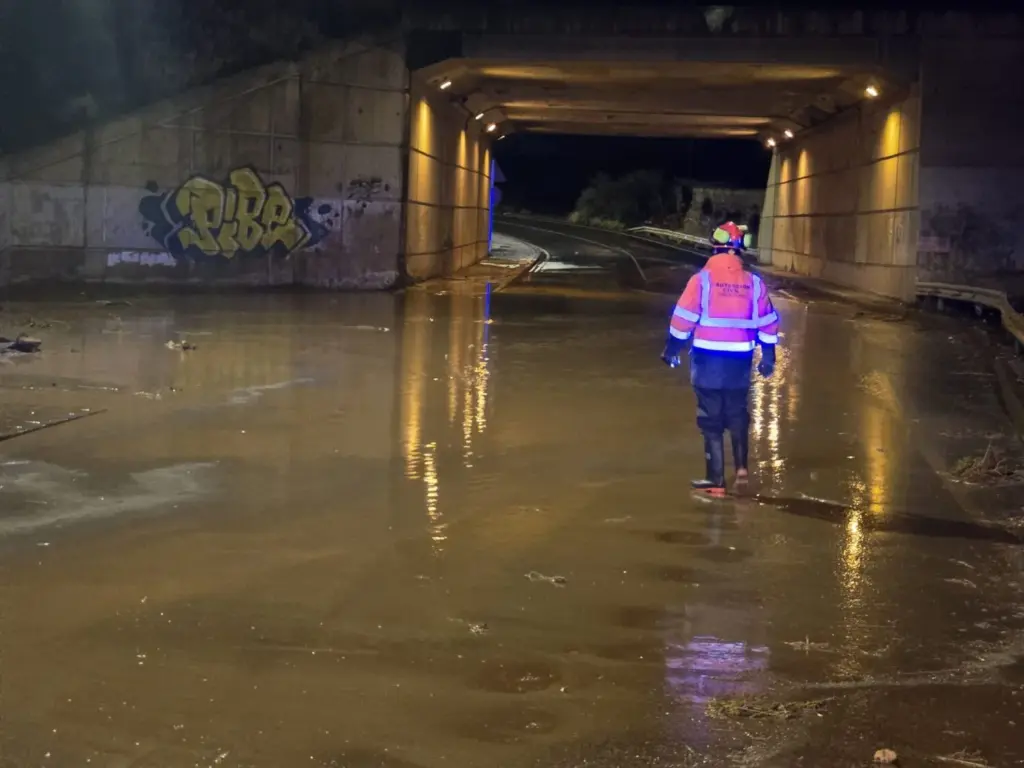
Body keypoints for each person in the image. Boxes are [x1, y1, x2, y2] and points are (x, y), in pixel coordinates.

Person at [661, 222, 779, 497]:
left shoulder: (701, 280)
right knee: (737, 411)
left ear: (714, 247)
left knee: (710, 417)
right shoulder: (754, 283)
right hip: (740, 359)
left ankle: (715, 480)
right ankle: (742, 469)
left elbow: (683, 319)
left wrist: (671, 349)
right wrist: (769, 356)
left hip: (708, 359)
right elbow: (768, 322)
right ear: (740, 249)